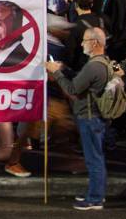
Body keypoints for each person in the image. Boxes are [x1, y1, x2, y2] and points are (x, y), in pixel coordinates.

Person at [46, 27, 111, 211]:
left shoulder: (93, 66)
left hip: (89, 117)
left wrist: (56, 73)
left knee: (93, 159)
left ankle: (95, 199)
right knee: (95, 157)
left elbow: (73, 89)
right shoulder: (103, 62)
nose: (82, 44)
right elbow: (81, 80)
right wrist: (64, 69)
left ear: (95, 43)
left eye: (85, 40)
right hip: (95, 116)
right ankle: (95, 193)